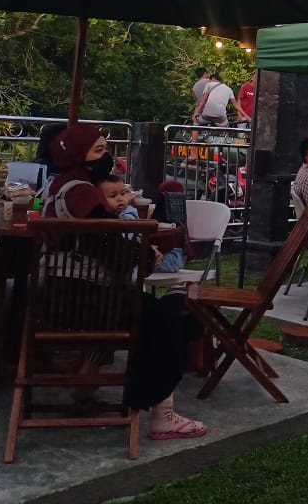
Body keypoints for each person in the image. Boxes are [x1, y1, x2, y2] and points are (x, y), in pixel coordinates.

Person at [44, 124, 206, 440]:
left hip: (54, 297)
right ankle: (163, 414)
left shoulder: (57, 186)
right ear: (78, 154)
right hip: (88, 299)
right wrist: (143, 254)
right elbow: (102, 241)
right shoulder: (82, 192)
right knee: (162, 318)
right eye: (99, 150)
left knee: (151, 311)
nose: (107, 157)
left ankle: (85, 389)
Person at [98, 174, 185, 273]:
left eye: (123, 194)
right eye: (113, 196)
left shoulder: (127, 212)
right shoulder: (110, 216)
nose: (120, 199)